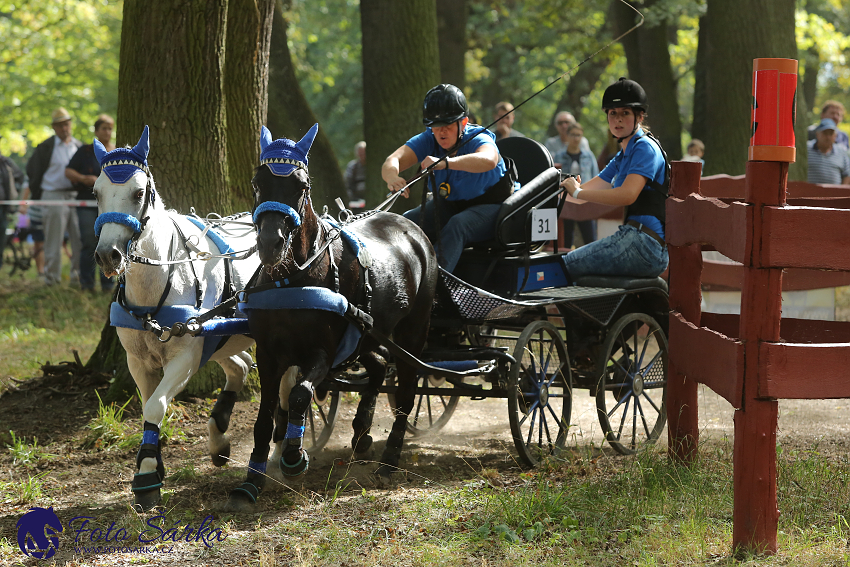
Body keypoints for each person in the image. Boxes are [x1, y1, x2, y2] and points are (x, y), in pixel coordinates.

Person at [382, 84, 516, 272]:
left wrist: (445, 163)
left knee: (458, 225)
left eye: (448, 125)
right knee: (406, 222)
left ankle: (435, 283)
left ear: (463, 122)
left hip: (494, 206)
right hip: (452, 205)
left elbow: (489, 159)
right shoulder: (429, 138)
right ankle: (395, 273)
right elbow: (393, 160)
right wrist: (392, 177)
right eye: (436, 126)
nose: (441, 132)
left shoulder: (478, 137)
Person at [559, 77, 669, 280]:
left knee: (564, 265)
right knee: (563, 263)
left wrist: (577, 191)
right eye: (613, 113)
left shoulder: (644, 148)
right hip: (633, 239)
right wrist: (555, 193)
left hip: (646, 245)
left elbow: (627, 195)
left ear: (640, 116)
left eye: (625, 113)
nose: (618, 119)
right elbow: (581, 195)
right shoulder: (622, 156)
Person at [26, 107, 83, 286]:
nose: (64, 128)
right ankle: (52, 279)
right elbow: (32, 171)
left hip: (75, 196)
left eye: (66, 124)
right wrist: (39, 193)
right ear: (54, 127)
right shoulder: (45, 148)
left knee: (79, 238)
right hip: (53, 194)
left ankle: (78, 277)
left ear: (70, 124)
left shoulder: (79, 146)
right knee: (53, 239)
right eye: (59, 125)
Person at [65, 114, 115, 292]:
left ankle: (108, 285)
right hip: (86, 203)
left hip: (110, 205)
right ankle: (86, 285)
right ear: (96, 131)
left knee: (109, 243)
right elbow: (68, 171)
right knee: (88, 242)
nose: (107, 132)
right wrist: (83, 178)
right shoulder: (85, 151)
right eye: (104, 128)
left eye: (110, 129)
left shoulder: (117, 152)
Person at [553, 122, 599, 248]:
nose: (576, 138)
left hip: (584, 198)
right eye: (573, 135)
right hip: (567, 200)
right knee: (566, 238)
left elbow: (596, 175)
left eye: (579, 135)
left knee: (589, 236)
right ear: (567, 136)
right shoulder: (559, 156)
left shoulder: (588, 156)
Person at [0, 149, 26, 272]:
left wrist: (13, 192)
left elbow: (20, 177)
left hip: (3, 208)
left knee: (1, 236)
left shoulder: (6, 162)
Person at [807, 118, 850, 185]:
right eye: (825, 133)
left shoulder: (842, 152)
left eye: (831, 133)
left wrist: (841, 190)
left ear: (835, 136)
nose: (828, 137)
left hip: (834, 191)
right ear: (817, 134)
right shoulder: (807, 148)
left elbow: (847, 174)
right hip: (808, 190)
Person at [344, 141, 367, 209]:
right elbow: (347, 183)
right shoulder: (352, 166)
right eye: (360, 153)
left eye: (364, 153)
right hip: (356, 199)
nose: (362, 155)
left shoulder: (374, 166)